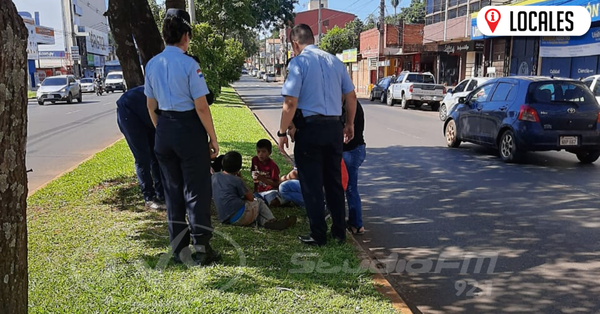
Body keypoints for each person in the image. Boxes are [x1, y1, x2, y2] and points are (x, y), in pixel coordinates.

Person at [144, 9, 220, 265]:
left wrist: (162, 129)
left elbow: (150, 106)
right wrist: (212, 137)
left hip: (164, 128)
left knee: (172, 191)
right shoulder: (190, 65)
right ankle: (201, 248)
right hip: (188, 129)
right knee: (197, 190)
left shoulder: (152, 64)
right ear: (186, 36)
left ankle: (179, 250)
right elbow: (201, 106)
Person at [277, 24, 357, 246]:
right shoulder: (336, 62)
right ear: (312, 38)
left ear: (295, 43)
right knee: (333, 182)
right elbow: (351, 96)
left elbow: (290, 102)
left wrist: (282, 132)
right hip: (333, 129)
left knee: (311, 184)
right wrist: (349, 124)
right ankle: (339, 233)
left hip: (310, 130)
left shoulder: (298, 62)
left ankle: (318, 234)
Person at [212, 151, 296, 230]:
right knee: (258, 201)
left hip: (225, 218)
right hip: (240, 215)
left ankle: (265, 223)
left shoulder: (214, 177)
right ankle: (272, 220)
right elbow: (251, 198)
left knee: (254, 212)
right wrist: (241, 179)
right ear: (239, 168)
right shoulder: (237, 180)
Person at [116, 86, 165, 210]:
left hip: (148, 116)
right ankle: (149, 198)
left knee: (157, 154)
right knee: (143, 158)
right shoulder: (174, 96)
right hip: (129, 113)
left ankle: (162, 194)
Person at [279, 160, 349, 208]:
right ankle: (322, 203)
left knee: (284, 188)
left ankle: (319, 205)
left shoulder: (309, 148)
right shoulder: (330, 147)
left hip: (326, 188)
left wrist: (284, 178)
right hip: (338, 189)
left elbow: (295, 173)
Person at [343, 100, 366, 235]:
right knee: (349, 187)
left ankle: (356, 224)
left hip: (351, 151)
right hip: (355, 150)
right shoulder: (350, 104)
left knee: (350, 187)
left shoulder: (350, 106)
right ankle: (354, 222)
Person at [251, 139, 282, 206]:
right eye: (258, 151)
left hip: (270, 191)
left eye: (264, 152)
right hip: (259, 191)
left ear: (269, 152)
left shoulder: (273, 166)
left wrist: (262, 179)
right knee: (252, 201)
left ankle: (283, 200)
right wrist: (255, 190)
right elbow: (255, 178)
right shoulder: (254, 160)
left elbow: (276, 184)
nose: (260, 154)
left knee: (272, 203)